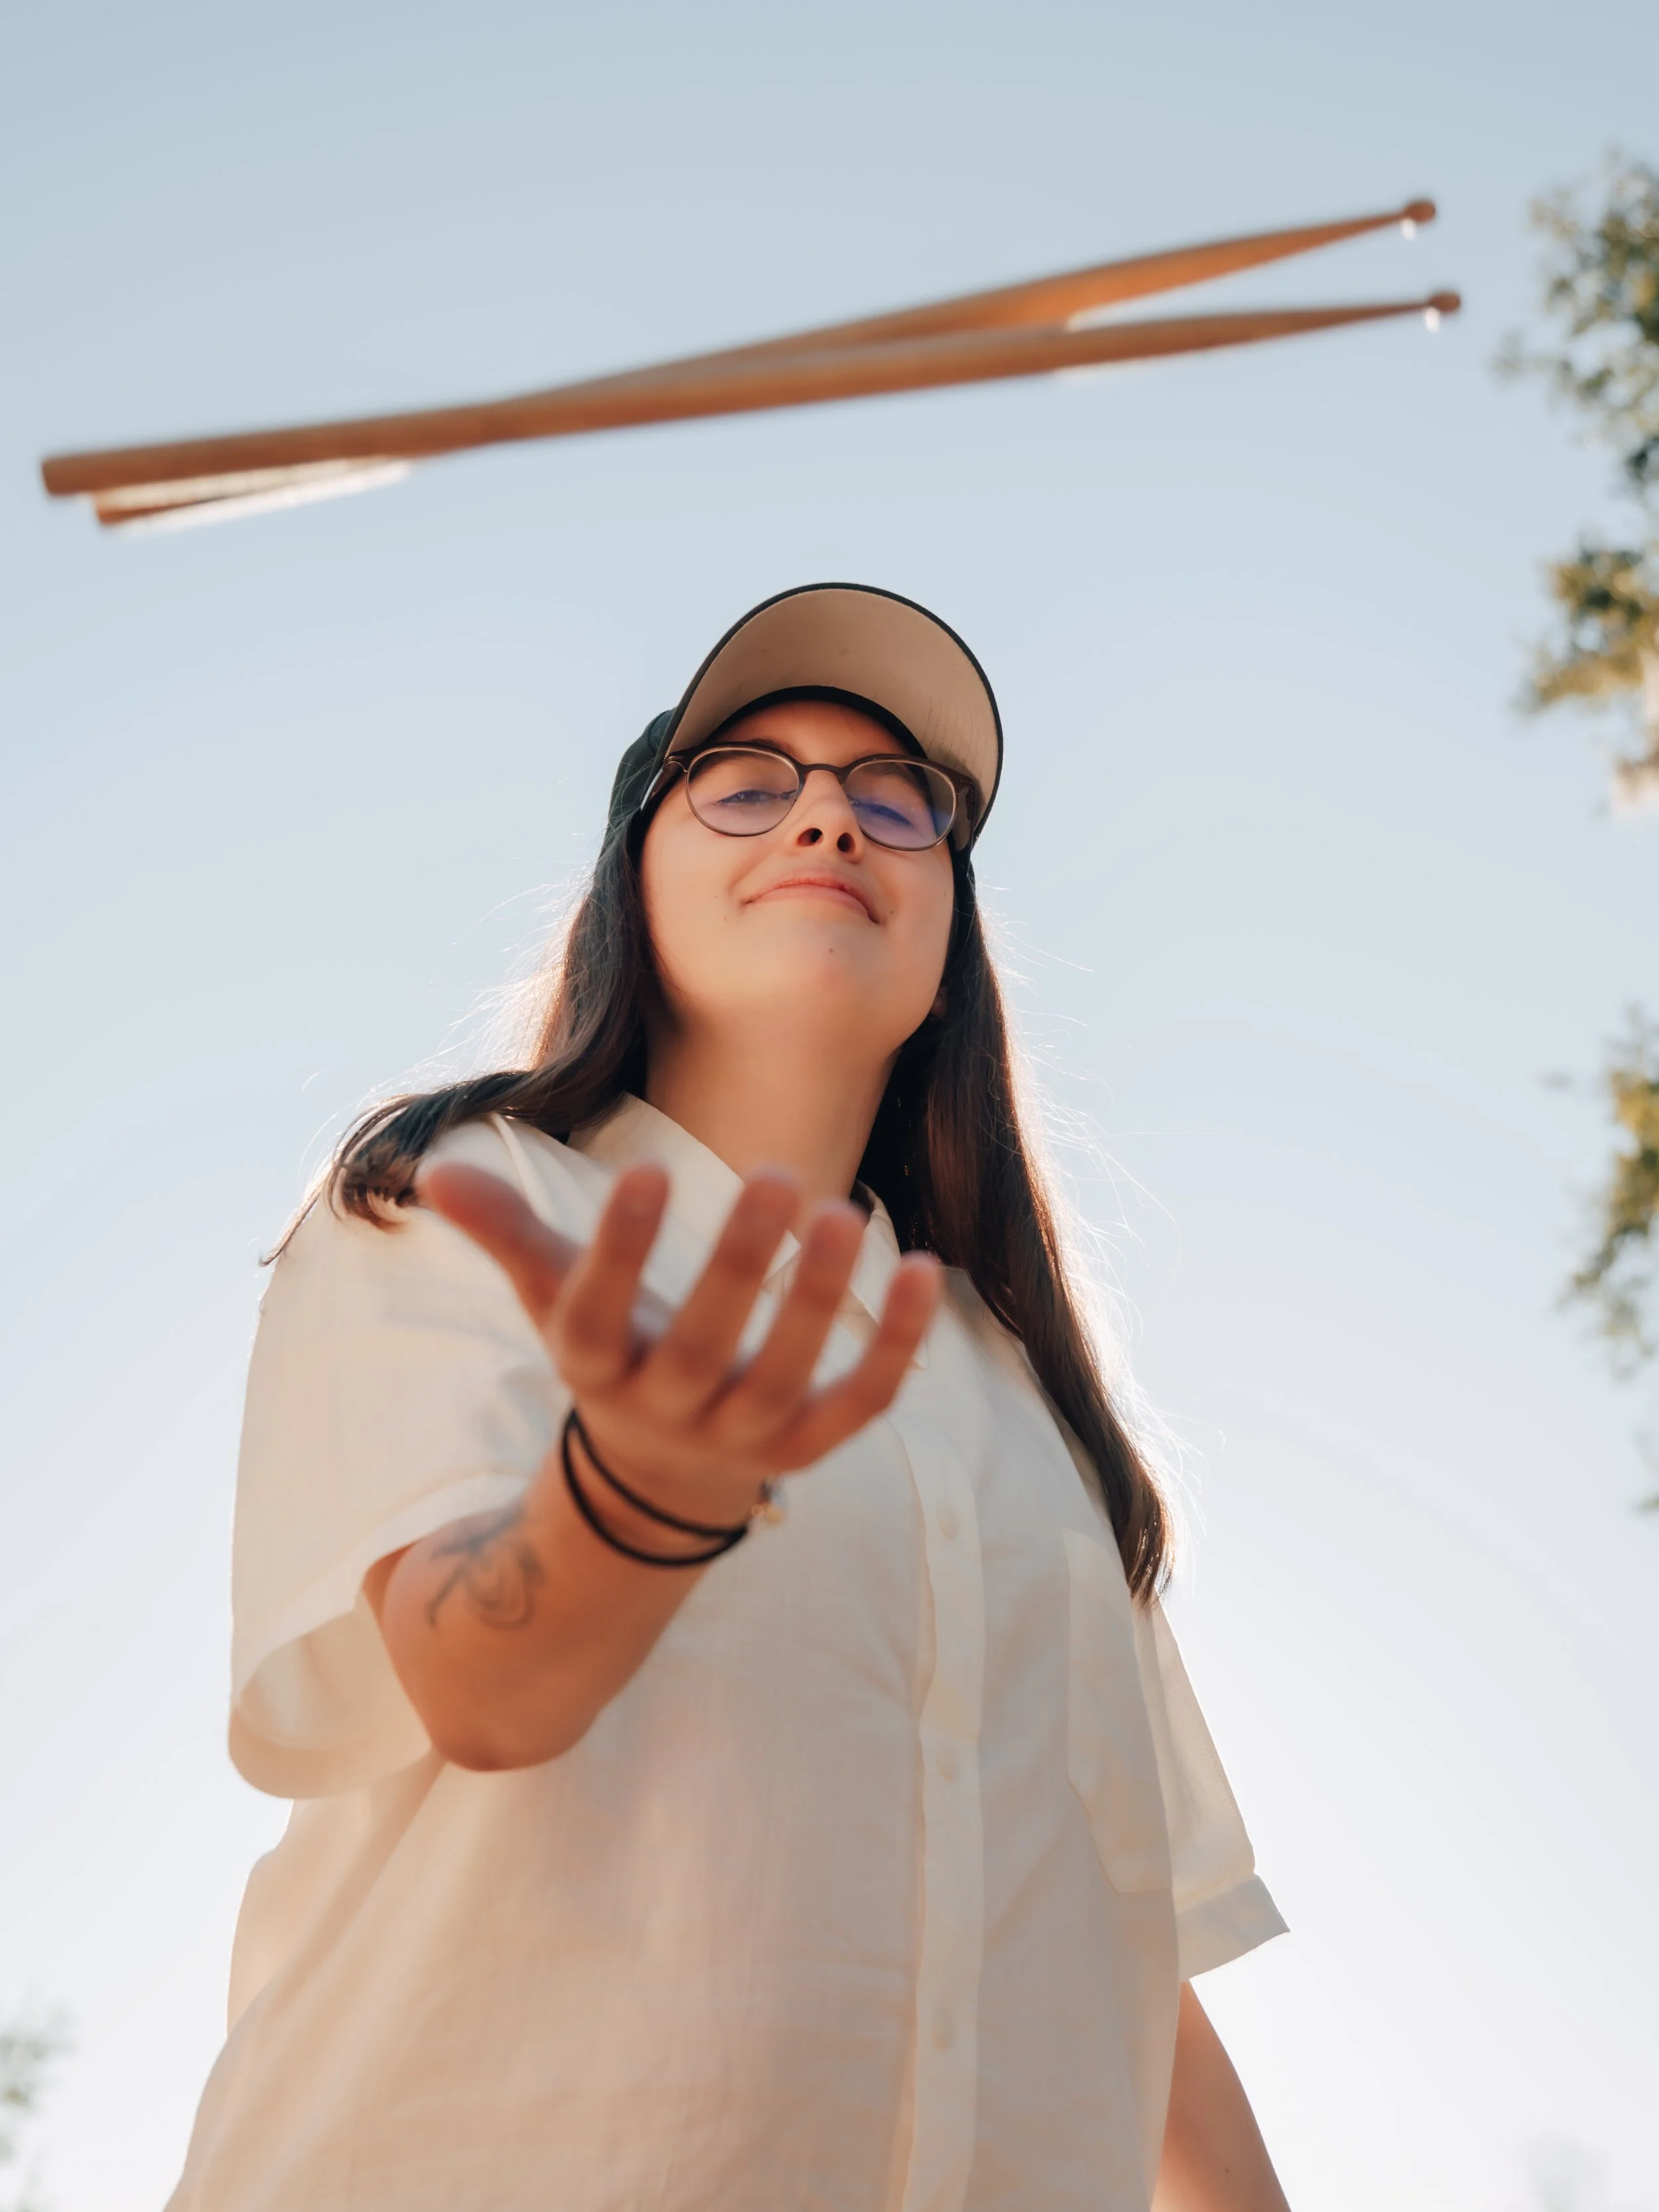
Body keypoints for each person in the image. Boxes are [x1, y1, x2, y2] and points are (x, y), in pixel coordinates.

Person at [168, 583, 1291, 2211]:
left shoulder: (1039, 1425)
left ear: (950, 939)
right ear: (633, 879)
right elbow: (480, 1686)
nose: (833, 813)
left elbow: (1129, 1968)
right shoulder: (465, 1202)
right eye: (750, 779)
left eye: (897, 798)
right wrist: (637, 1488)